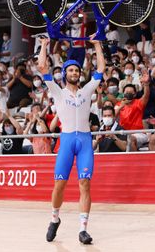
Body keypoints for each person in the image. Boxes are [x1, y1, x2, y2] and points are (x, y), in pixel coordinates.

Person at [37, 35, 105, 245]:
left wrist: (97, 45)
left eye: (77, 70)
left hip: (84, 140)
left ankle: (83, 229)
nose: (74, 73)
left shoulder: (87, 90)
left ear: (79, 73)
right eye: (71, 70)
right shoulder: (57, 91)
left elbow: (101, 69)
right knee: (60, 184)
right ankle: (54, 218)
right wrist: (44, 44)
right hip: (66, 141)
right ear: (65, 74)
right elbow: (42, 67)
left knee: (85, 183)